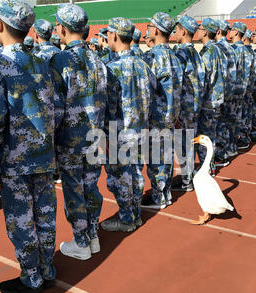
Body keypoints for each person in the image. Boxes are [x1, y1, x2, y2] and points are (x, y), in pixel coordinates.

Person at [0, 0, 64, 293]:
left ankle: (31, 277)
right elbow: (57, 108)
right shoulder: (40, 60)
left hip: (15, 159)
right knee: (45, 215)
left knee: (21, 221)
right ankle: (46, 268)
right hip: (43, 154)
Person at [51, 4, 108, 260]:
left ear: (62, 28)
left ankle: (81, 241)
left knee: (74, 190)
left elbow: (55, 105)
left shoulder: (60, 60)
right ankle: (92, 235)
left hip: (71, 139)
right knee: (91, 187)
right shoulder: (99, 59)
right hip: (95, 136)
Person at [101, 17, 156, 232]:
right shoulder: (143, 65)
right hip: (140, 129)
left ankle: (126, 219)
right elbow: (153, 90)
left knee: (119, 178)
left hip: (120, 133)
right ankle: (135, 215)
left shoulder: (112, 68)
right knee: (135, 174)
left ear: (114, 35)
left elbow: (109, 107)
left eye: (108, 34)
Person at [141, 12, 183, 210]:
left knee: (156, 157)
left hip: (156, 116)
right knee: (166, 154)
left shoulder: (151, 57)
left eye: (149, 26)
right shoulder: (175, 56)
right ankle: (164, 194)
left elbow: (146, 89)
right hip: (170, 115)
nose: (148, 29)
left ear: (156, 30)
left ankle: (159, 197)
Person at [171, 15, 204, 192]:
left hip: (183, 108)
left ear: (183, 31)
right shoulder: (196, 54)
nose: (175, 34)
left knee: (182, 144)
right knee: (189, 143)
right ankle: (188, 177)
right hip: (194, 106)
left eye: (176, 31)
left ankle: (186, 181)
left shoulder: (181, 54)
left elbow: (176, 86)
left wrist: (174, 111)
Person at [196, 18, 224, 174]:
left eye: (200, 28)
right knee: (211, 134)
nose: (198, 31)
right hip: (217, 97)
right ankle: (211, 165)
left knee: (205, 136)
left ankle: (206, 168)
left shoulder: (207, 51)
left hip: (208, 100)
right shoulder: (219, 49)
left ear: (205, 32)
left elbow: (204, 79)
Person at [214, 20, 237, 164]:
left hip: (219, 92)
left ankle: (221, 155)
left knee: (218, 125)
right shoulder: (231, 48)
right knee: (226, 123)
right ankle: (226, 151)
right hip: (230, 91)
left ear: (217, 31)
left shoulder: (217, 48)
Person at [229, 22, 252, 151]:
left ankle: (231, 146)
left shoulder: (235, 50)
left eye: (232, 30)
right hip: (242, 89)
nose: (230, 32)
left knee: (231, 119)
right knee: (238, 117)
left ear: (236, 32)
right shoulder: (246, 50)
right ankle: (236, 143)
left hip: (234, 90)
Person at [240, 28, 256, 148]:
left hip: (245, 89)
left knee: (243, 113)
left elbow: (244, 73)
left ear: (243, 38)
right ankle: (247, 136)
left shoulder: (245, 52)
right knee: (248, 112)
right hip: (250, 87)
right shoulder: (252, 52)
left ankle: (244, 139)